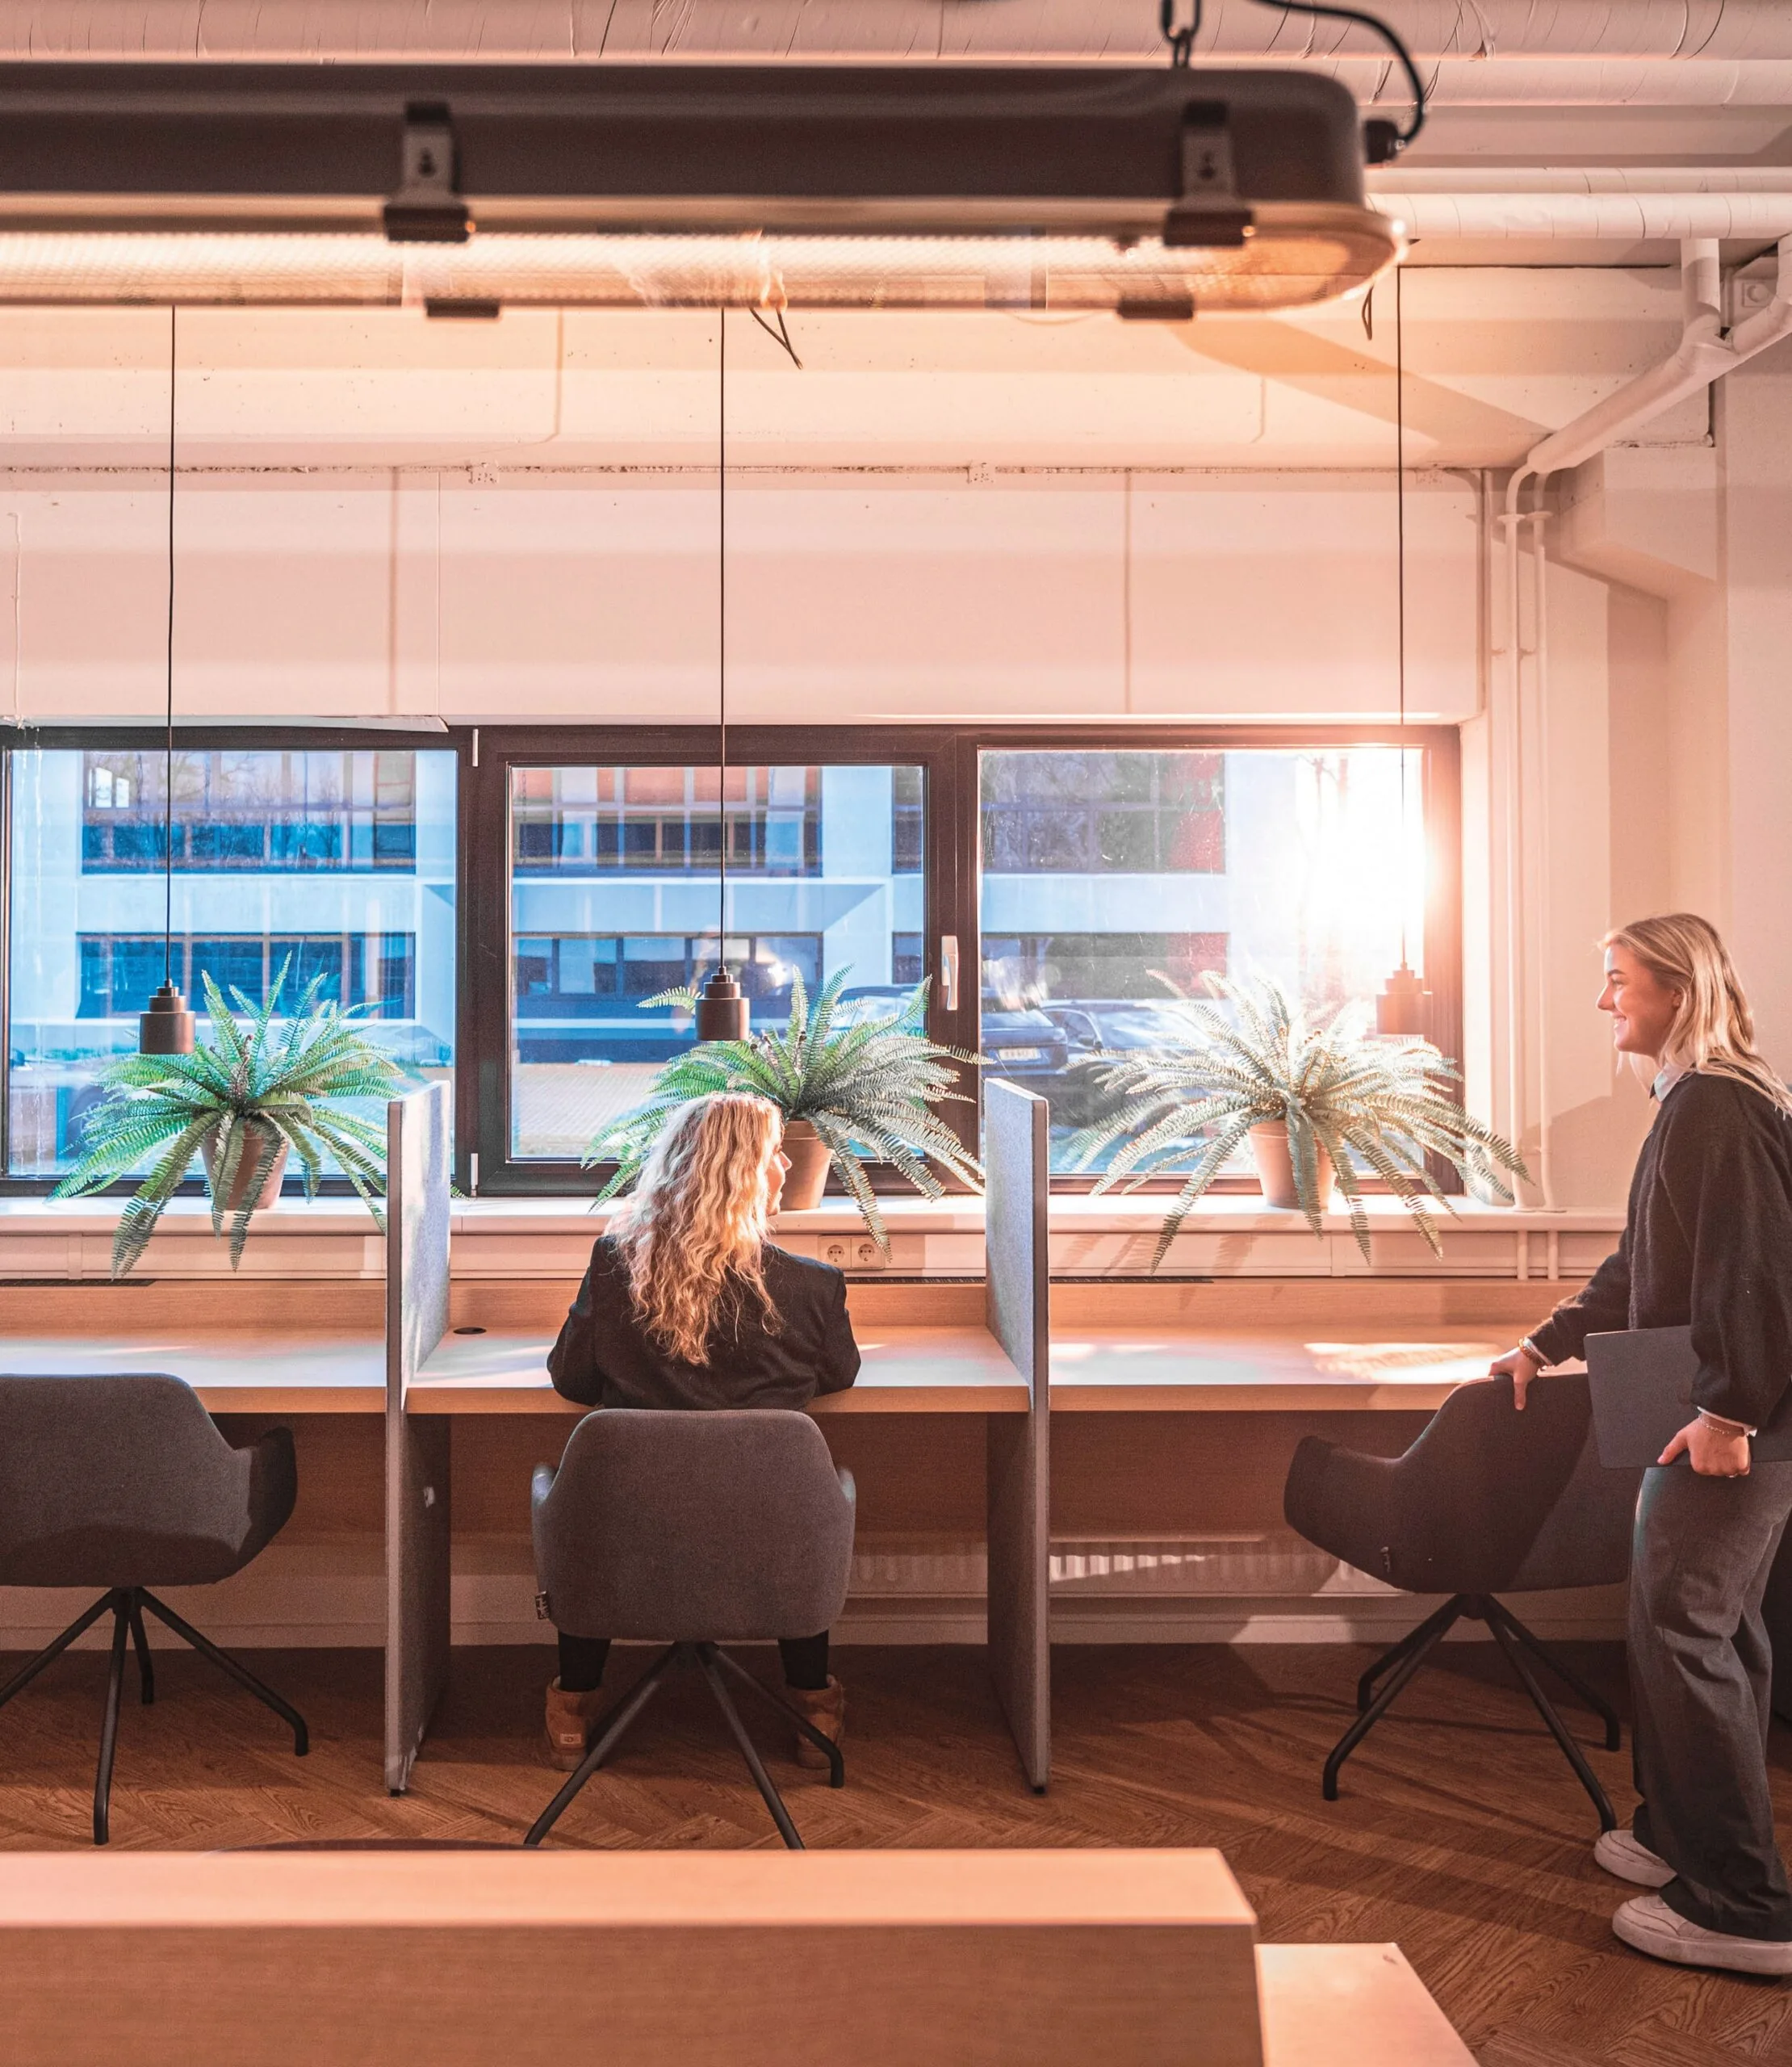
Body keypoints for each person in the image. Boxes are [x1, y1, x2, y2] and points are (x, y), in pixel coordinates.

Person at [1489, 914, 1792, 1977]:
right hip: (1714, 1411)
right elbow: (1646, 1259)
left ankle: (1743, 1909)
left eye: (1618, 981)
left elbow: (1753, 1272)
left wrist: (1729, 1411)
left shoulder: (1717, 1106)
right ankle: (1680, 1837)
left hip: (1724, 1422)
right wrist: (1548, 1340)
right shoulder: (1693, 1103)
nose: (1605, 1002)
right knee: (1712, 1633)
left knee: (1687, 1636)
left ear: (1677, 988)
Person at [542, 1092, 860, 1773]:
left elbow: (570, 1381)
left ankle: (575, 1700)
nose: (784, 1167)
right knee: (787, 1501)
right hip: (766, 1534)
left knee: (591, 1497)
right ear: (746, 1175)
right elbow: (840, 1375)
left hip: (633, 1531)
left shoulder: (613, 1267)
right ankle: (811, 1702)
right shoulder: (814, 1287)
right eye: (774, 1155)